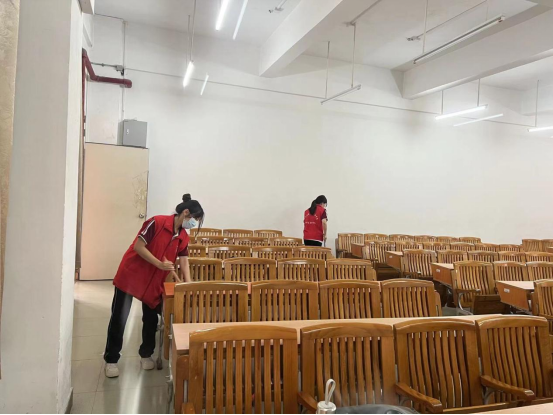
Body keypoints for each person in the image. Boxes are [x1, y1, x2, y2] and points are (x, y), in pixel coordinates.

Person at [103, 194, 204, 378]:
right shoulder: (156, 222)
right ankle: (111, 359)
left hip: (154, 281)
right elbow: (138, 247)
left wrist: (188, 283)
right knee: (119, 317)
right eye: (195, 219)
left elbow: (184, 260)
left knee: (150, 319)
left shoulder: (183, 236)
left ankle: (146, 354)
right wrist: (159, 264)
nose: (194, 223)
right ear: (186, 213)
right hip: (132, 275)